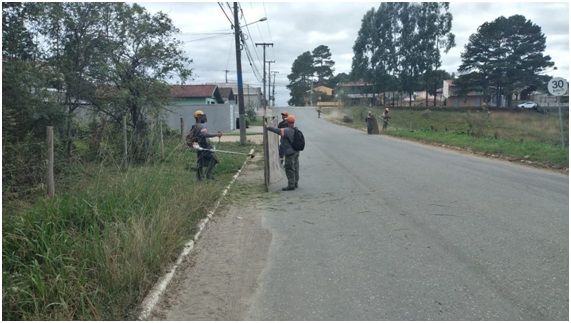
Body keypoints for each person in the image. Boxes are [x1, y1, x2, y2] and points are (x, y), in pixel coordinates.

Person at [265, 115, 299, 191]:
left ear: (288, 122)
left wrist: (267, 127)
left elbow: (276, 130)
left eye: (286, 121)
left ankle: (291, 185)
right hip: (296, 152)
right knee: (296, 167)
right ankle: (295, 182)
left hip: (290, 153)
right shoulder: (295, 129)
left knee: (289, 169)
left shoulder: (286, 130)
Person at [186, 110, 222, 181]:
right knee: (213, 160)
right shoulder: (201, 126)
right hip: (204, 147)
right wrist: (216, 134)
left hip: (199, 147)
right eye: (202, 116)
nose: (204, 118)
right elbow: (204, 134)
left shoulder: (194, 126)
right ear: (199, 117)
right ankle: (207, 175)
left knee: (200, 163)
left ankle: (199, 179)